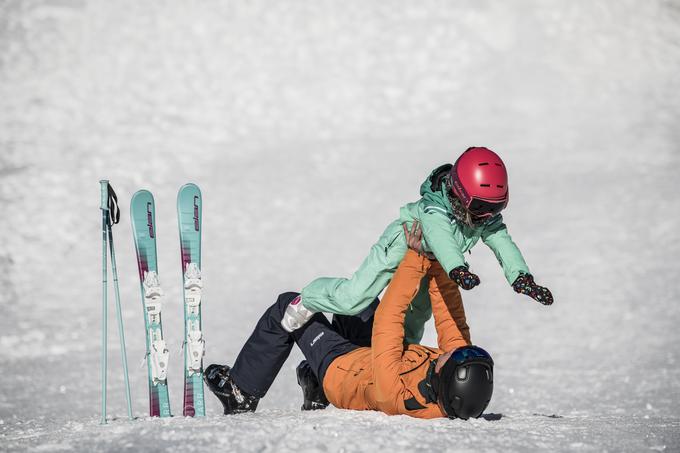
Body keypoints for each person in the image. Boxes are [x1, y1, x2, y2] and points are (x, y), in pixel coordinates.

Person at [205, 229, 494, 419]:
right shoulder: (448, 380)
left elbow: (389, 320)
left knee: (289, 306)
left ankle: (241, 391)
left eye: (453, 358)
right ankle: (313, 385)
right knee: (358, 303)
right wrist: (444, 265)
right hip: (371, 358)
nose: (454, 351)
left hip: (342, 372)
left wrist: (417, 256)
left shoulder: (398, 393)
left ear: (443, 380)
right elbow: (450, 321)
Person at [282, 147, 554, 344]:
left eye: (496, 207)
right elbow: (441, 238)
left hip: (433, 260)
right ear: (460, 194)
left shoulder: (483, 218)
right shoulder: (435, 208)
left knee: (417, 315)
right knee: (355, 298)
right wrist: (458, 268)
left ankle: (401, 355)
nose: (487, 216)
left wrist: (522, 278)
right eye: (482, 207)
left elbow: (502, 242)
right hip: (403, 242)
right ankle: (307, 298)